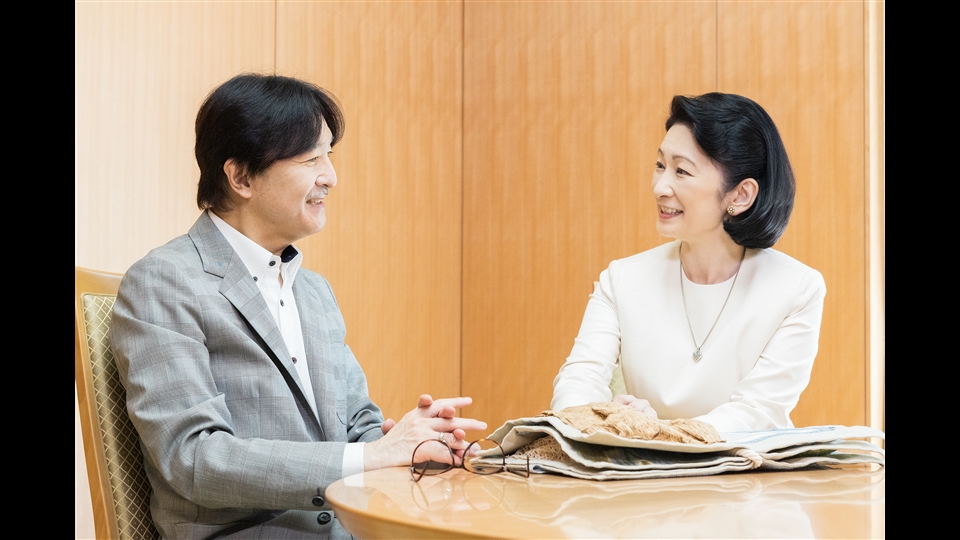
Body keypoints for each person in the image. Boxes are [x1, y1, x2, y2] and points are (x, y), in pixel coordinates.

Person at [110, 74, 486, 539]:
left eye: (329, 155)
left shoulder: (314, 290)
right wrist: (372, 456)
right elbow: (193, 459)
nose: (330, 176)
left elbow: (357, 425)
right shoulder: (164, 281)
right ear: (241, 177)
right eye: (311, 159)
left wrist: (412, 447)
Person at [551, 93, 825, 433]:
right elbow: (579, 380)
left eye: (681, 171)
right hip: (639, 462)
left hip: (743, 467)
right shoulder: (622, 279)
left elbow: (757, 413)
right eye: (660, 165)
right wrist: (599, 421)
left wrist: (656, 432)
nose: (660, 187)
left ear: (740, 195)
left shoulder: (796, 289)